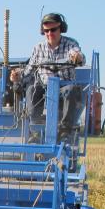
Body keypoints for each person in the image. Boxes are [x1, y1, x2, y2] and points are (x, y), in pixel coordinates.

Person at [10, 13, 86, 141]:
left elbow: (79, 57)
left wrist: (77, 57)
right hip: (43, 88)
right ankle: (36, 131)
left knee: (71, 89)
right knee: (31, 89)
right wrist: (16, 76)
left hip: (64, 87)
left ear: (61, 28)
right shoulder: (38, 48)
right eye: (46, 31)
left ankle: (64, 131)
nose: (49, 33)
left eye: (53, 30)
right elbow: (28, 71)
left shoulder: (70, 45)